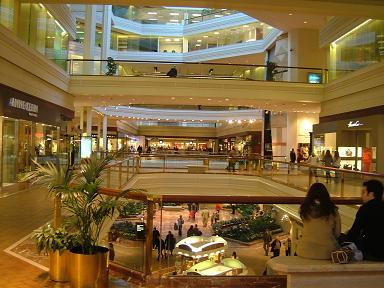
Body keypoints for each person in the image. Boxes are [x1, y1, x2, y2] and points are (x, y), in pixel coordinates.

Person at [296, 183, 340, 259]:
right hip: (327, 253)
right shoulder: (332, 211)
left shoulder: (304, 209)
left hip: (304, 251)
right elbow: (337, 233)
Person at [346, 180, 384, 261]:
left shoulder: (366, 208)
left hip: (372, 252)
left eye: (363, 192)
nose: (361, 196)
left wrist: (344, 242)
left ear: (371, 194)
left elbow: (355, 231)